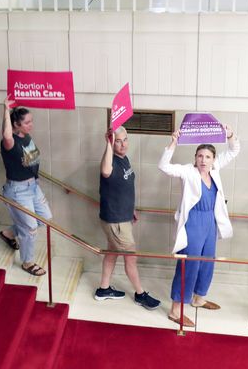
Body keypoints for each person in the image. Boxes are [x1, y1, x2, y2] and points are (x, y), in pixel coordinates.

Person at [159, 124, 240, 327]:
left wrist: (229, 134)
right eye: (200, 156)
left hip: (209, 223)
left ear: (213, 160)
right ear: (195, 158)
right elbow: (164, 166)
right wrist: (173, 143)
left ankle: (198, 298)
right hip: (193, 223)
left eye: (207, 157)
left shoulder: (215, 170)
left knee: (207, 262)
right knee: (189, 265)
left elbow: (233, 150)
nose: (203, 160)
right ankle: (175, 310)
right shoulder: (188, 172)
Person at [94, 126, 161, 311]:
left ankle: (103, 289)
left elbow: (124, 186)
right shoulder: (110, 160)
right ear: (111, 142)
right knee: (131, 257)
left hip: (122, 216)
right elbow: (106, 172)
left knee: (112, 253)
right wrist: (108, 143)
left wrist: (130, 209)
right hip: (115, 221)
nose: (123, 144)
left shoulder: (124, 158)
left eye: (125, 139)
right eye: (118, 140)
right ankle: (140, 294)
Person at [0, 98, 53, 276]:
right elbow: (6, 135)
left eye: (31, 121)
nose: (31, 125)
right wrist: (6, 109)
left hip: (33, 187)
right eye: (27, 122)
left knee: (45, 217)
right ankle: (27, 262)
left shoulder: (25, 136)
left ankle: (9, 233)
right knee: (30, 229)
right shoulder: (10, 142)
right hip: (18, 191)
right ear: (16, 124)